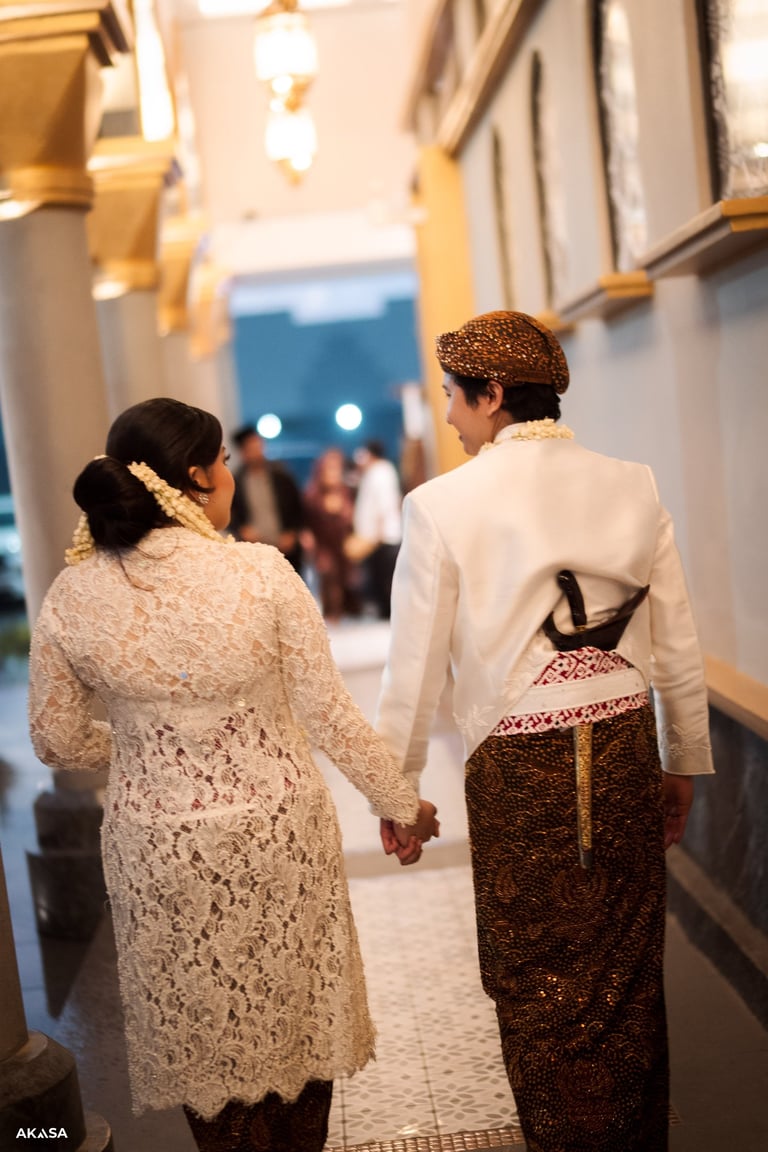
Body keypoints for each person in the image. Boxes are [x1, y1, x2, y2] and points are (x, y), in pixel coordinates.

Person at [27, 397, 438, 1152]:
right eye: (220, 462)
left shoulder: (71, 595)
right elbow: (328, 714)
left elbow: (53, 739)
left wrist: (148, 745)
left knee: (206, 1037)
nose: (228, 476)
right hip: (280, 838)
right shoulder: (260, 572)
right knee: (296, 1029)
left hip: (158, 853)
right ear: (195, 476)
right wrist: (401, 803)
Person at [375, 312, 714, 1152]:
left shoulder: (441, 504)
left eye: (453, 396)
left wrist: (396, 792)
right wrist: (682, 759)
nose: (449, 416)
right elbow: (675, 636)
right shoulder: (632, 482)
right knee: (627, 967)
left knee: (533, 974)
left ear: (491, 394)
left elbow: (414, 666)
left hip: (516, 762)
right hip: (627, 741)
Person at [229, 423, 305, 573]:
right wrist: (242, 529)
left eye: (258, 445)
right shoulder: (236, 481)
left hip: (286, 549)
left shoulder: (281, 475)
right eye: (251, 448)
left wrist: (292, 533)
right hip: (254, 551)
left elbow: (298, 507)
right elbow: (231, 512)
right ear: (243, 452)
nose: (257, 451)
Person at [303, 448, 360, 621]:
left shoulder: (347, 492)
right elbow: (306, 521)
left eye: (337, 468)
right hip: (323, 544)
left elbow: (355, 520)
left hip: (343, 543)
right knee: (328, 574)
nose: (333, 472)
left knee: (344, 579)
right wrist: (307, 538)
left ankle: (342, 613)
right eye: (330, 468)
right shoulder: (312, 495)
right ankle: (330, 614)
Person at [350, 439, 402, 619]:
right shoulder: (374, 472)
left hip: (382, 538)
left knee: (385, 579)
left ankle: (388, 613)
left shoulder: (381, 472)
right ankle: (385, 611)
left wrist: (378, 534)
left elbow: (384, 505)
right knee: (379, 578)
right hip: (376, 538)